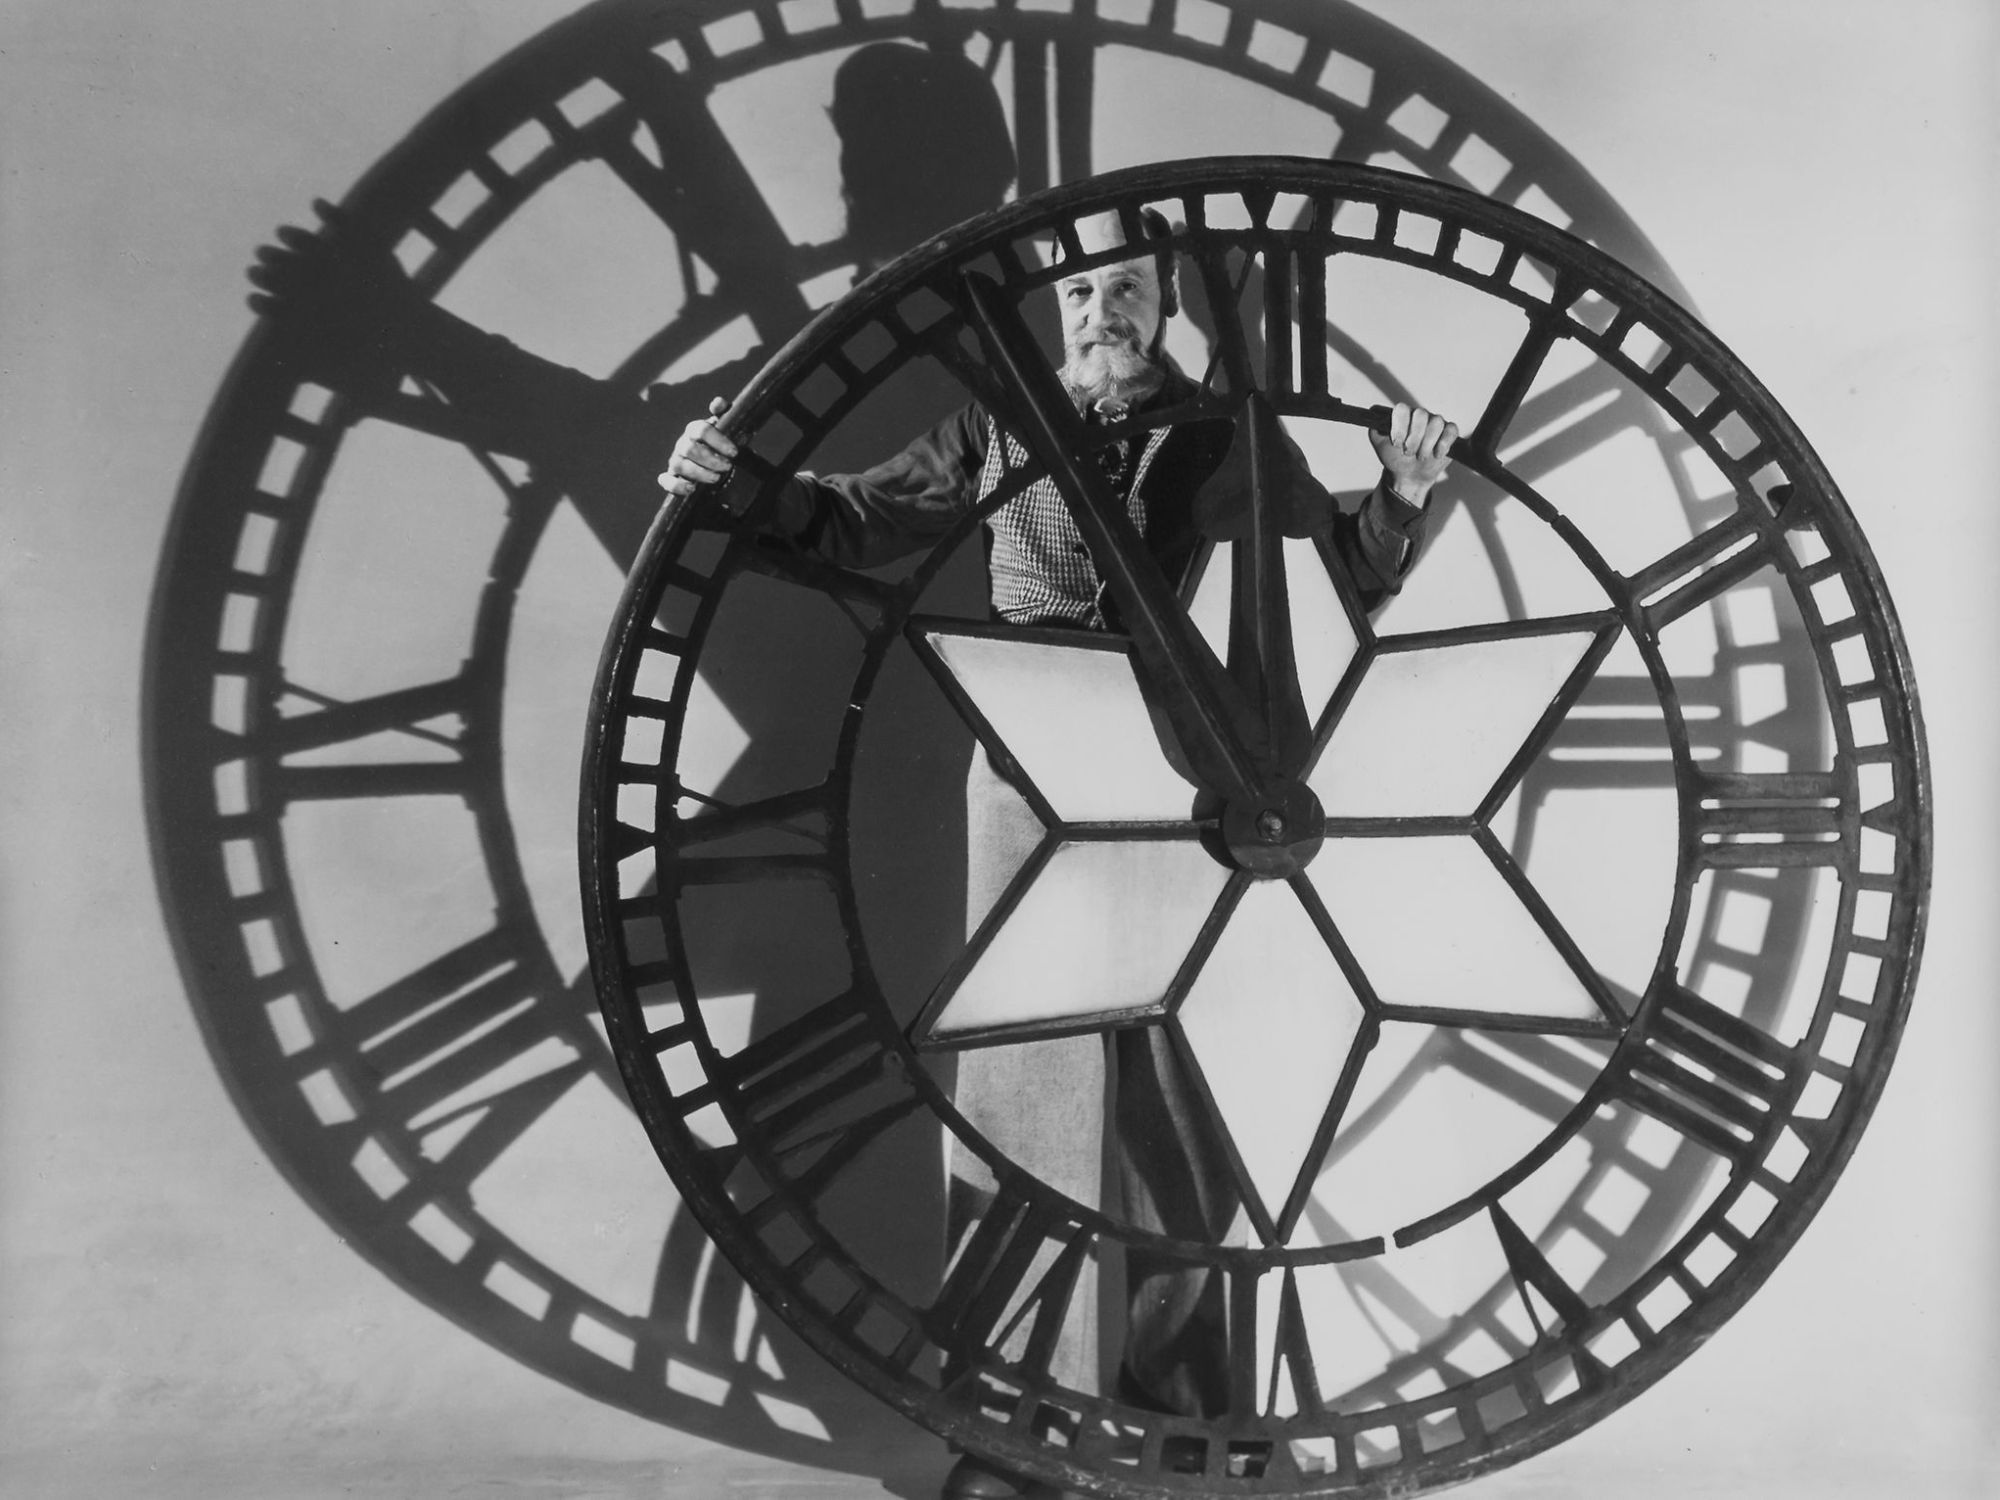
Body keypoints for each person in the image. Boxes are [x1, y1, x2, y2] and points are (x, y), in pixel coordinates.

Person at [663, 209, 1456, 1500]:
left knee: (1184, 1122)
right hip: (1027, 792)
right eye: (1082, 292)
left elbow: (1326, 591)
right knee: (1018, 1109)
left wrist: (1404, 497)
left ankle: (1193, 1434)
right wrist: (736, 482)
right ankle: (1017, 1438)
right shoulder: (993, 428)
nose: (1103, 312)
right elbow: (854, 518)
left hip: (1180, 801)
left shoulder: (1228, 436)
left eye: (1128, 289)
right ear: (1055, 309)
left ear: (1166, 306)